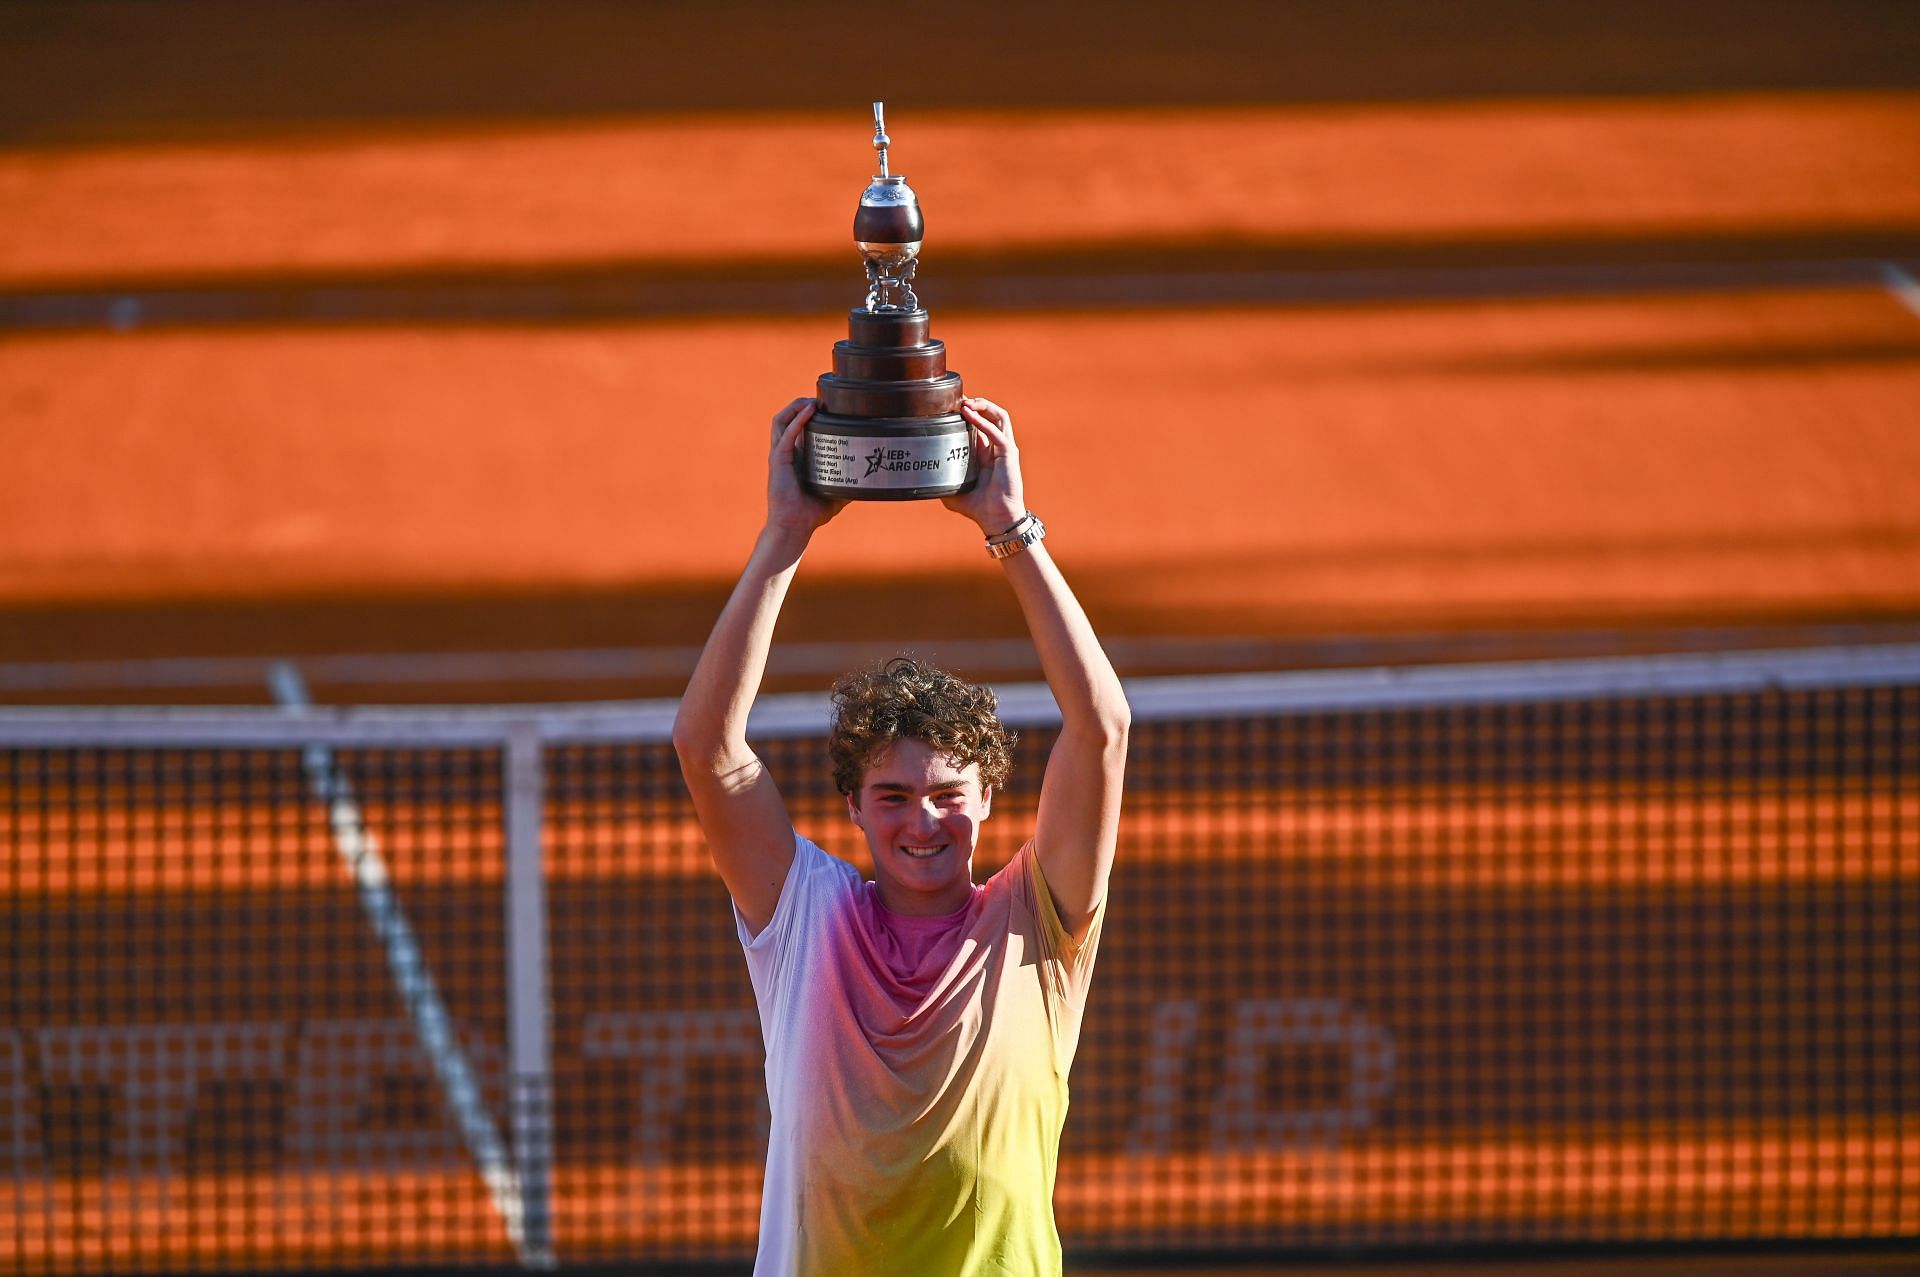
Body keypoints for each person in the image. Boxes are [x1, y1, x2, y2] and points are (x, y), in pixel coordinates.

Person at [671, 395, 1130, 1276]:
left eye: (948, 793)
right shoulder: (804, 911)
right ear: (850, 805)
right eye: (891, 795)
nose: (922, 819)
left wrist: (1010, 527)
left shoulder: (1040, 923)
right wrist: (786, 534)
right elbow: (707, 746)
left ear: (992, 796)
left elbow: (1102, 728)